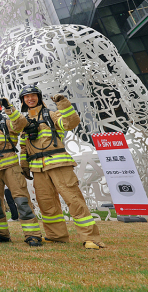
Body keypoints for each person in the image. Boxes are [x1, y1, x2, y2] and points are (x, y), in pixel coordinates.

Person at [18, 85, 105, 250]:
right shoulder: (24, 122)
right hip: (38, 169)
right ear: (23, 100)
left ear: (39, 97)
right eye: (26, 97)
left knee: (73, 200)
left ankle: (90, 237)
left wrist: (63, 104)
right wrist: (24, 165)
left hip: (59, 164)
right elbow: (23, 147)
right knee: (46, 204)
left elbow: (70, 123)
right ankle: (56, 236)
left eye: (33, 95)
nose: (30, 99)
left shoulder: (51, 114)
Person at [0, 94, 43, 247]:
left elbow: (21, 123)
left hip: (11, 166)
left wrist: (9, 108)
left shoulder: (7, 122)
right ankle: (1, 234)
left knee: (21, 200)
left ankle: (33, 235)